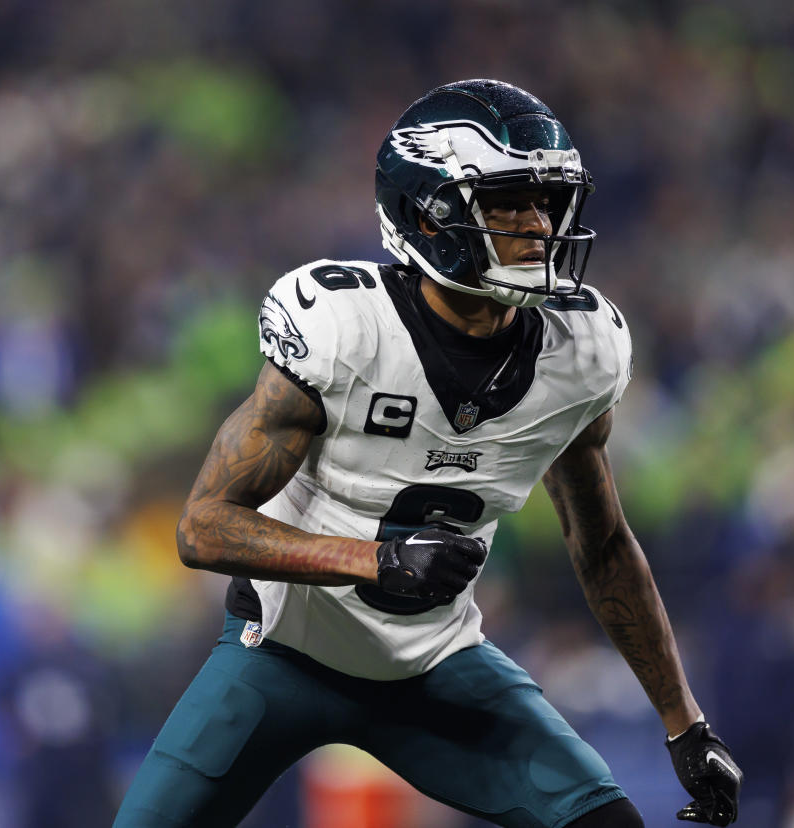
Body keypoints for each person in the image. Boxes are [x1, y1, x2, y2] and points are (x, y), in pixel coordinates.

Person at [114, 79, 743, 828]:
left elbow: (603, 546)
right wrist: (371, 560)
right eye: (509, 201)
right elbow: (204, 527)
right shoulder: (344, 329)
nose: (539, 225)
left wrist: (685, 724)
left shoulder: (582, 352)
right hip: (277, 656)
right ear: (427, 211)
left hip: (435, 666)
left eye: (547, 201)